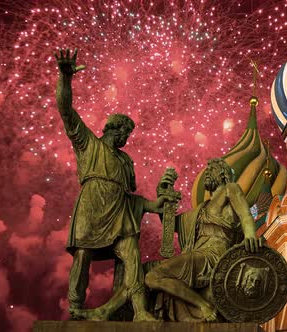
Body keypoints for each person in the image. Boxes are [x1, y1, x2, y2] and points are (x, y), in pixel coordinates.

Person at [54, 48, 164, 321]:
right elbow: (66, 111)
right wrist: (65, 79)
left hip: (120, 213)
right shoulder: (88, 143)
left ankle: (140, 311)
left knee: (132, 258)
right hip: (92, 205)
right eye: (125, 132)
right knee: (83, 255)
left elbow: (132, 198)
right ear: (114, 129)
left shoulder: (126, 161)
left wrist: (154, 205)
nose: (127, 137)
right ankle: (76, 305)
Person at [145, 158, 263, 322]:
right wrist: (163, 196)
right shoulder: (201, 209)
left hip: (213, 255)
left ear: (223, 174)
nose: (206, 173)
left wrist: (250, 233)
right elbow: (170, 225)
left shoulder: (230, 189)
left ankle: (204, 306)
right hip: (197, 254)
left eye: (212, 169)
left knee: (153, 276)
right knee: (148, 272)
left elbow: (245, 215)